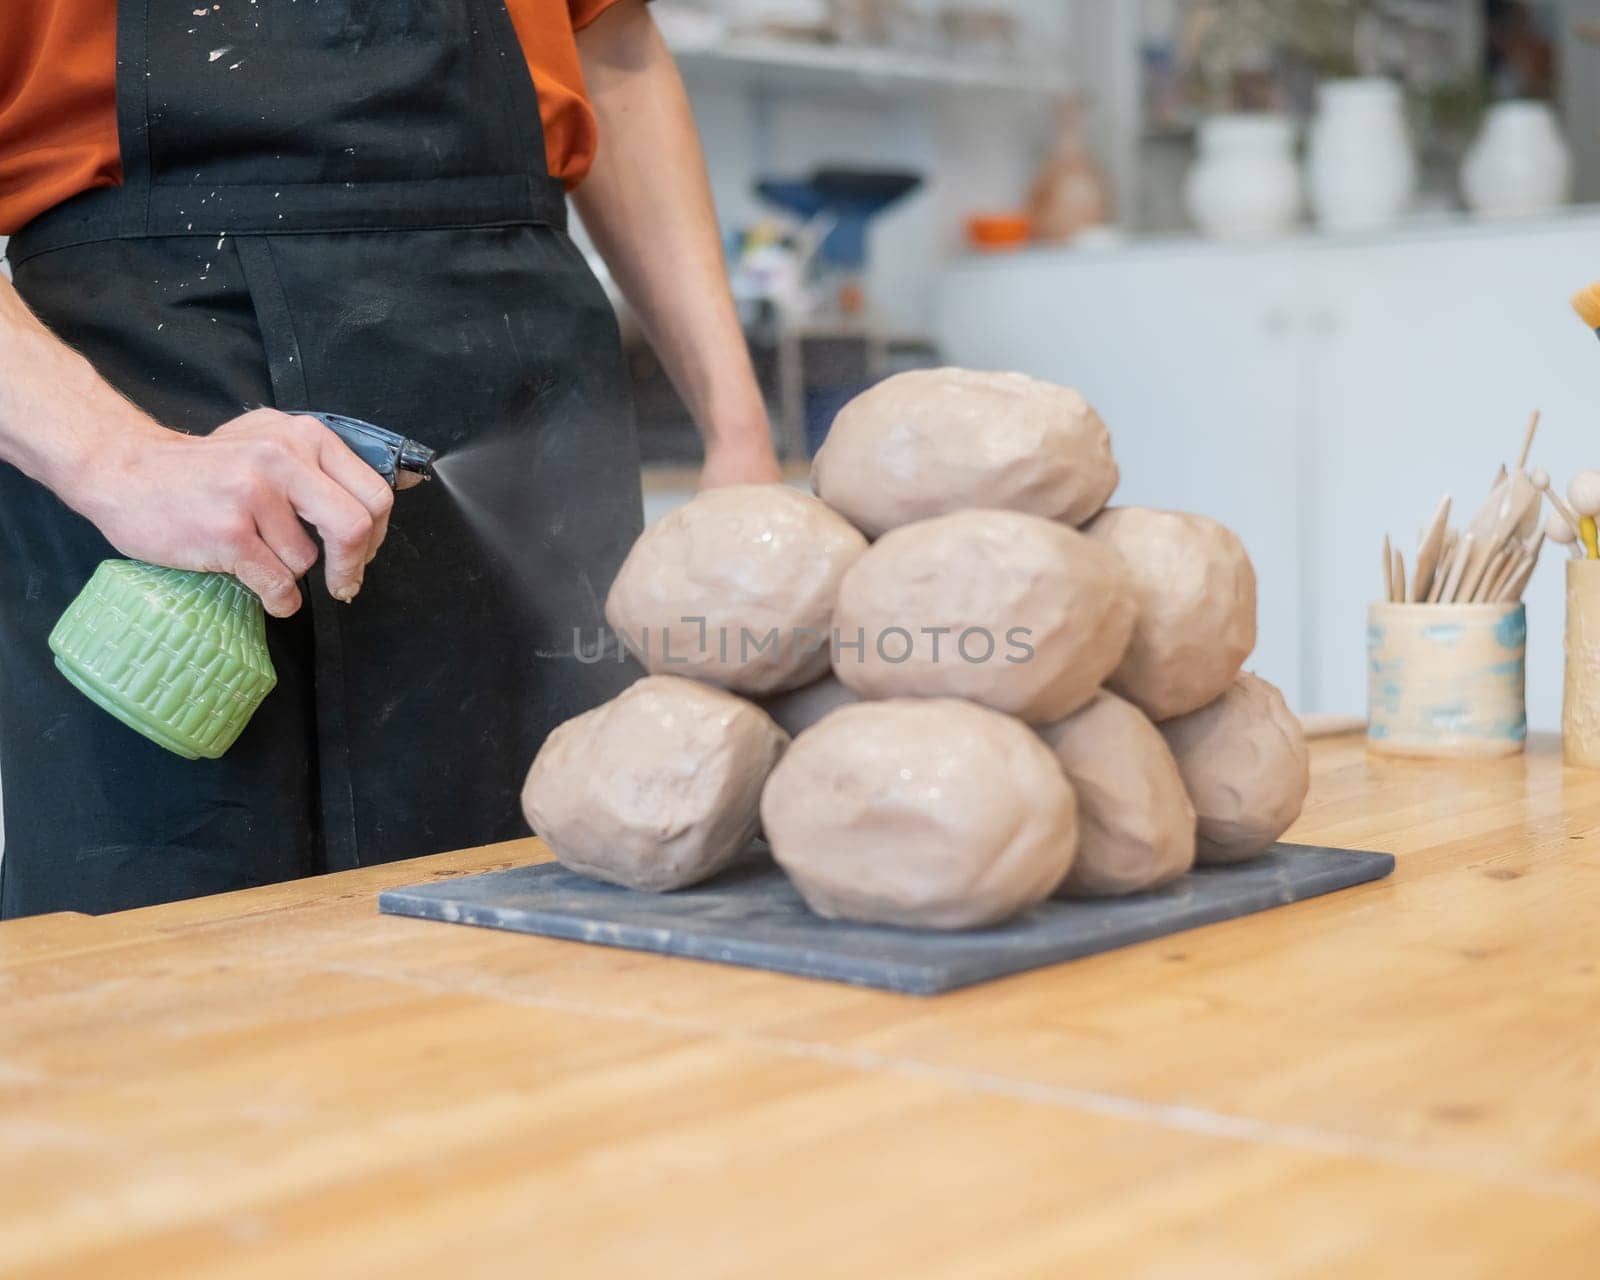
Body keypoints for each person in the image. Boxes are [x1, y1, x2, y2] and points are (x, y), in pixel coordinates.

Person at [0, 0, 781, 918]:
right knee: (175, 958)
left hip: (527, 382)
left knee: (569, 915)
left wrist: (740, 440)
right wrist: (113, 456)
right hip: (157, 405)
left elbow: (612, 51)